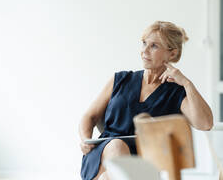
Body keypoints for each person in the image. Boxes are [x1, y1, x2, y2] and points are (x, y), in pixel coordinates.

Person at [79, 21, 213, 180]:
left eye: (154, 46)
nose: (145, 51)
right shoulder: (120, 79)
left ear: (172, 54)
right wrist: (85, 140)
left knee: (111, 177)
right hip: (104, 154)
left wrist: (187, 84)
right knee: (117, 146)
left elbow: (205, 124)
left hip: (147, 161)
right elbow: (90, 116)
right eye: (144, 43)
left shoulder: (176, 92)